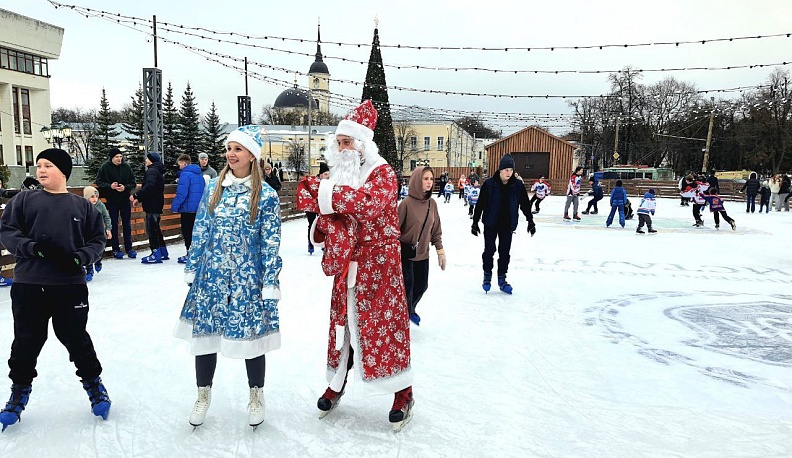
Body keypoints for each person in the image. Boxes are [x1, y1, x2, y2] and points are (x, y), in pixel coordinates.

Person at [296, 100, 414, 431]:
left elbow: (367, 205)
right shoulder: (341, 177)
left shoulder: (383, 173)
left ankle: (403, 391)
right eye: (338, 142)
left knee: (384, 329)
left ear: (362, 143)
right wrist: (322, 225)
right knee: (342, 327)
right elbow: (333, 217)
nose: (342, 148)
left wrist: (323, 193)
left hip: (379, 270)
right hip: (347, 268)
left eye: (347, 142)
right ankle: (337, 382)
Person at [174, 125, 282, 428]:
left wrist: (270, 281)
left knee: (251, 337)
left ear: (252, 155)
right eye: (229, 148)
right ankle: (203, 394)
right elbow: (201, 230)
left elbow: (270, 242)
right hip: (213, 275)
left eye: (238, 149)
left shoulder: (266, 195)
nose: (230, 154)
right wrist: (193, 266)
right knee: (206, 337)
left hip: (248, 278)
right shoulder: (213, 189)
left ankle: (256, 395)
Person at [0, 148, 110, 431]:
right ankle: (19, 391)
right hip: (29, 283)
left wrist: (79, 258)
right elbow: (8, 231)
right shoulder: (24, 200)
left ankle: (94, 385)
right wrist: (32, 248)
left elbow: (97, 240)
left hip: (69, 286)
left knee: (76, 338)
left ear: (63, 171)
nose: (41, 170)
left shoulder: (82, 206)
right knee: (26, 341)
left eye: (48, 165)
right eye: (39, 165)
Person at [471, 154, 536, 294]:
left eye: (511, 170)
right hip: (491, 223)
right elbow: (480, 204)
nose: (509, 173)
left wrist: (530, 221)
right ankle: (487, 276)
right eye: (506, 170)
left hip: (507, 224)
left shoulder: (517, 185)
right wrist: (475, 222)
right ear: (500, 170)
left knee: (504, 252)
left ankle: (502, 278)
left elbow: (525, 204)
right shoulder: (489, 184)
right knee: (489, 250)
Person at [398, 166, 445, 326]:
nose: (429, 182)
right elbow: (395, 230)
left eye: (431, 179)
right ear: (417, 180)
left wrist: (440, 251)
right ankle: (403, 320)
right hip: (406, 254)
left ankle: (409, 309)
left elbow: (436, 230)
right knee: (408, 288)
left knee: (422, 286)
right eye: (425, 179)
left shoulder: (432, 204)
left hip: (423, 254)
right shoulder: (406, 204)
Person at [95, 148, 137, 259]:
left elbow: (133, 183)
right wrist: (110, 186)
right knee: (113, 224)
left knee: (127, 224)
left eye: (120, 156)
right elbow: (98, 181)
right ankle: (115, 249)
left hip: (125, 199)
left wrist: (125, 187)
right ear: (112, 158)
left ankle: (129, 248)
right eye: (117, 157)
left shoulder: (126, 167)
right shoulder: (105, 167)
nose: (119, 159)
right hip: (112, 200)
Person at [130, 153, 167, 264]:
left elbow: (149, 187)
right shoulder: (158, 170)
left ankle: (155, 253)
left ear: (151, 160)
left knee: (151, 228)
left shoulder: (152, 171)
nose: (146, 160)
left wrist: (136, 195)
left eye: (147, 158)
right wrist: (139, 199)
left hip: (152, 203)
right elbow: (152, 188)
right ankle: (162, 251)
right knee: (156, 228)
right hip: (157, 202)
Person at [171, 154, 205, 264]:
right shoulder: (199, 174)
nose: (179, 167)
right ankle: (197, 253)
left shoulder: (185, 174)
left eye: (180, 165)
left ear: (185, 164)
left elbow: (182, 193)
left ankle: (190, 253)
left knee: (187, 231)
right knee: (196, 232)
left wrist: (175, 206)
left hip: (188, 208)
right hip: (198, 208)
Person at [82, 186, 112, 281]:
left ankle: (98, 260)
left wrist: (108, 229)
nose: (95, 199)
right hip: (87, 232)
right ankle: (89, 270)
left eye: (96, 196)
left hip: (99, 232)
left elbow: (106, 217)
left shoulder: (100, 205)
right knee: (88, 250)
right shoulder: (82, 206)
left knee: (99, 248)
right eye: (92, 197)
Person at [305, 162, 330, 255]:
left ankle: (323, 243)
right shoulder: (312, 182)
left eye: (328, 174)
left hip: (322, 206)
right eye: (325, 174)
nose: (327, 176)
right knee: (311, 224)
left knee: (323, 224)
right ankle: (310, 243)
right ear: (321, 174)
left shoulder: (328, 183)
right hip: (311, 207)